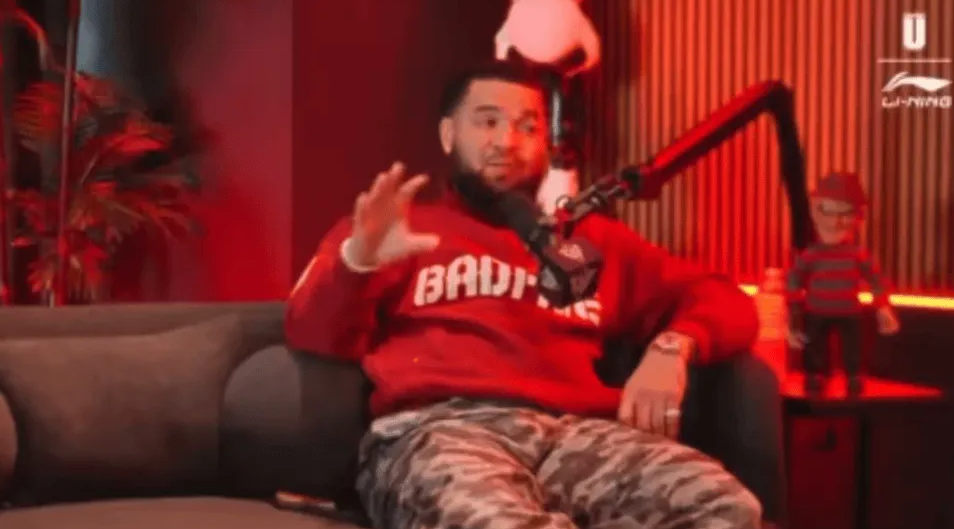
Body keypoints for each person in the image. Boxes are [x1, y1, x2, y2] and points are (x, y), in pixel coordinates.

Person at [287, 61, 763, 529]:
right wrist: (357, 262)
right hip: (439, 431)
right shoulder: (399, 232)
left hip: (575, 436)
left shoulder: (587, 241)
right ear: (449, 134)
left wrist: (673, 347)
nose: (507, 141)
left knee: (724, 506)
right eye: (487, 121)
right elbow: (310, 332)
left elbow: (726, 300)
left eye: (527, 127)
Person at [786, 171, 900, 397]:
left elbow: (877, 281)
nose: (835, 221)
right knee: (815, 346)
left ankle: (854, 376)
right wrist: (794, 315)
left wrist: (883, 306)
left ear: (858, 216)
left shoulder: (858, 255)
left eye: (845, 213)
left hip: (850, 312)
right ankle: (815, 376)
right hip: (815, 311)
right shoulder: (810, 255)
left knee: (853, 347)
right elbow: (793, 282)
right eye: (828, 211)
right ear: (814, 210)